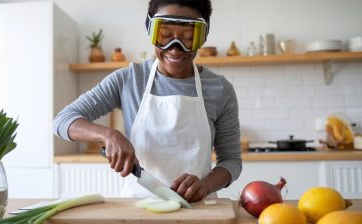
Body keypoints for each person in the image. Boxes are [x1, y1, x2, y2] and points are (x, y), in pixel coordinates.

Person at [53, 0, 241, 203]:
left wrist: (205, 185)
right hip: (138, 209)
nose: (175, 49)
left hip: (198, 209)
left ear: (202, 36)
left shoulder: (220, 89)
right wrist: (108, 135)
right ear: (150, 29)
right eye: (165, 35)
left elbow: (231, 162)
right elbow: (62, 121)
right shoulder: (128, 80)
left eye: (188, 37)